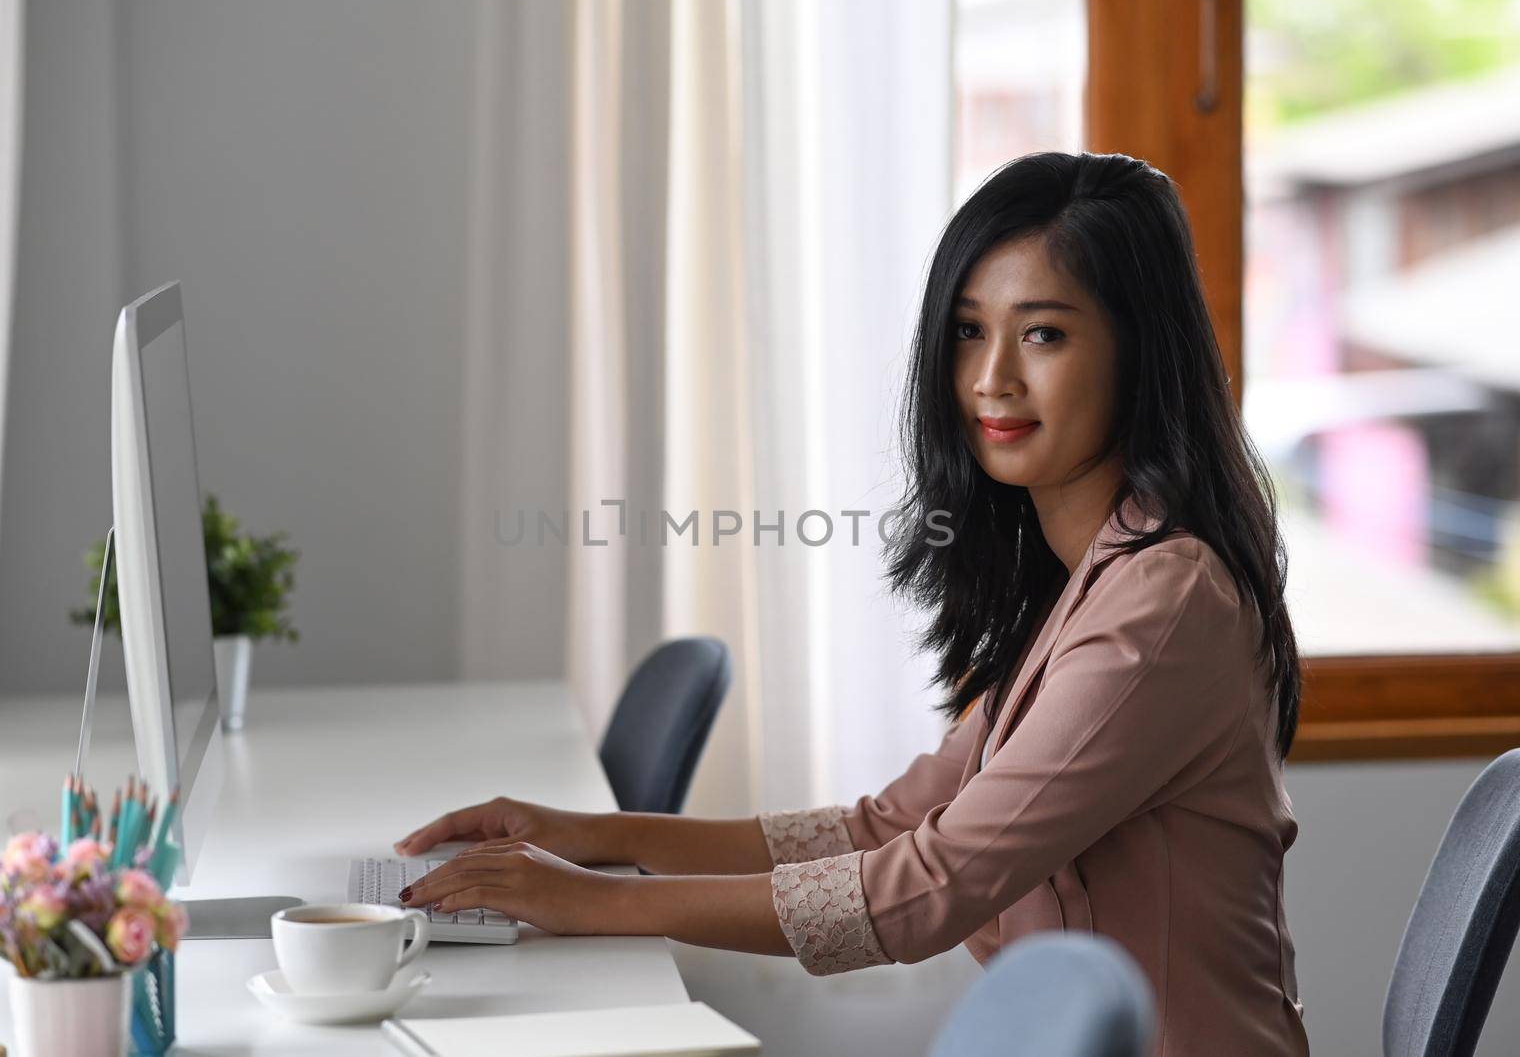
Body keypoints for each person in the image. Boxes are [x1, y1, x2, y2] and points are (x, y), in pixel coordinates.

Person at [396, 151, 1308, 1055]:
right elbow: (886, 827)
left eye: (1043, 334)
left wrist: (593, 902)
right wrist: (594, 838)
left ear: (1138, 353)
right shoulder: (1082, 576)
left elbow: (928, 886)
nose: (991, 377)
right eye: (966, 330)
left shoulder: (1166, 600)